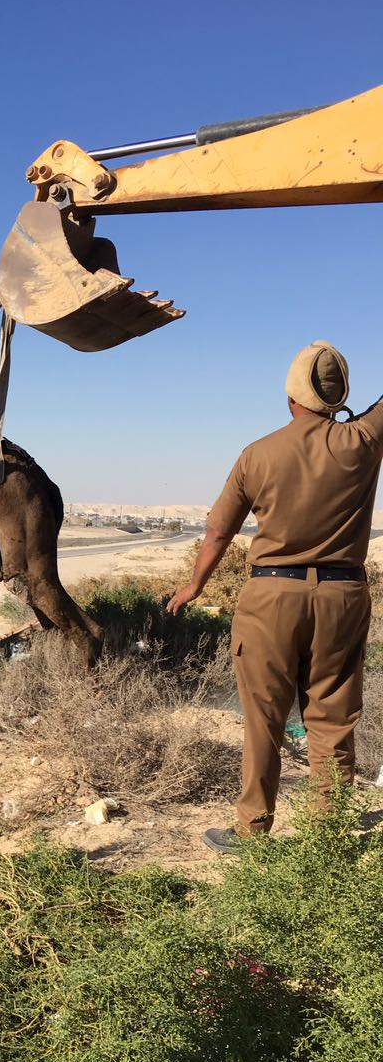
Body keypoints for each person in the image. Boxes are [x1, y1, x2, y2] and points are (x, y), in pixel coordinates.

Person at [168, 342, 383, 852]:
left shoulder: (257, 453)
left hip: (271, 597)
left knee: (263, 716)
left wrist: (195, 585)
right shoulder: (363, 440)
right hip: (342, 595)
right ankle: (325, 838)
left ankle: (252, 832)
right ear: (338, 397)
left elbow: (219, 534)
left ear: (290, 397)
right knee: (332, 717)